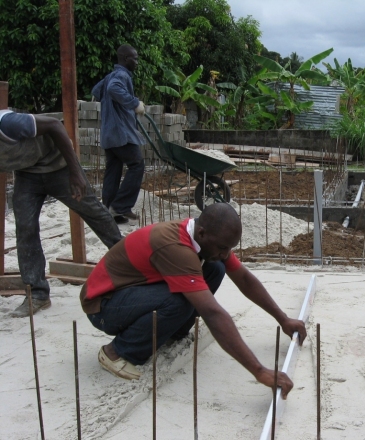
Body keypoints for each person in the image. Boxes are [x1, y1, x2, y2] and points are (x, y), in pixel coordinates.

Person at [80, 203, 307, 397]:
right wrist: (260, 371)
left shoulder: (202, 237)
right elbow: (211, 312)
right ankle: (117, 352)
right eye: (222, 247)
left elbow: (245, 279)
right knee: (178, 301)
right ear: (201, 234)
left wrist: (283, 319)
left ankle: (171, 332)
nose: (226, 253)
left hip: (133, 290)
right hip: (103, 305)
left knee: (215, 267)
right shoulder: (175, 247)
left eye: (230, 248)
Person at [0, 110, 123, 318]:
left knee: (93, 212)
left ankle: (130, 258)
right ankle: (37, 294)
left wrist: (75, 172)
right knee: (25, 228)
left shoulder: (9, 124)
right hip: (27, 175)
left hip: (60, 168)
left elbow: (55, 125)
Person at [91, 44, 146, 224]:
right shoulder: (121, 75)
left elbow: (96, 91)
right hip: (121, 134)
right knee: (137, 164)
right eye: (134, 59)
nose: (137, 62)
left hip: (109, 134)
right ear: (124, 58)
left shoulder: (110, 76)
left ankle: (109, 210)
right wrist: (134, 103)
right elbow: (113, 89)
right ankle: (121, 206)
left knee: (113, 171)